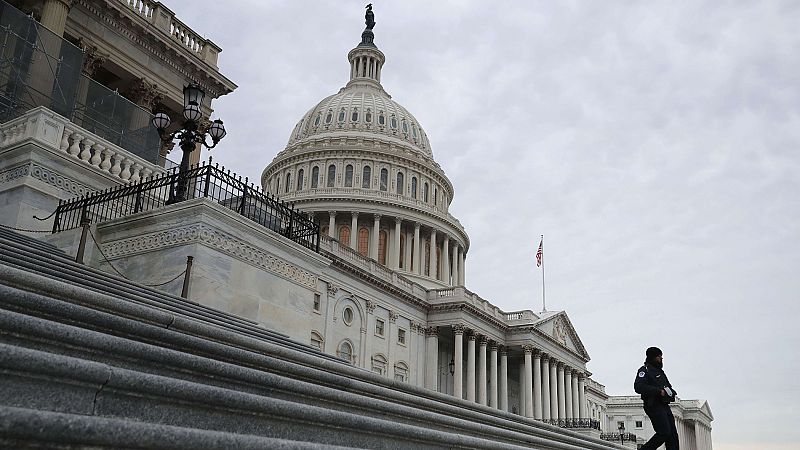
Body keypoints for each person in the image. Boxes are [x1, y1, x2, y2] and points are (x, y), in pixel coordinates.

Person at [634, 347, 679, 450]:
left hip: (664, 405)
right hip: (653, 404)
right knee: (664, 432)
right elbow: (638, 386)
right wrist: (658, 391)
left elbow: (668, 386)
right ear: (653, 357)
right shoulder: (644, 370)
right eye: (659, 356)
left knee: (673, 435)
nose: (661, 358)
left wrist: (671, 392)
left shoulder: (660, 372)